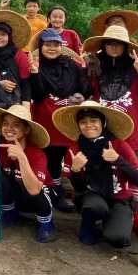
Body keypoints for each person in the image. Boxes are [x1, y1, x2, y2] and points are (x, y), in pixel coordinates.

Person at [82, 25, 138, 242]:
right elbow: (86, 92)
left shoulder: (136, 67)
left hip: (133, 129)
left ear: (126, 46)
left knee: (133, 176)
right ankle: (109, 212)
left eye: (118, 43)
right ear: (103, 45)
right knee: (102, 171)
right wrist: (84, 69)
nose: (113, 46)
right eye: (109, 43)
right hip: (101, 129)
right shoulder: (97, 68)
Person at [54, 102, 138, 248]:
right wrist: (75, 170)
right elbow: (78, 188)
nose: (88, 125)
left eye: (93, 120)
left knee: (118, 239)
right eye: (83, 122)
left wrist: (118, 160)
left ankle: (113, 219)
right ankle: (88, 223)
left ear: (103, 123)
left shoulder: (119, 145)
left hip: (119, 198)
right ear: (78, 125)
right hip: (90, 196)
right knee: (95, 207)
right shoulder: (75, 148)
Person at [29, 28, 91, 212]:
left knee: (75, 157)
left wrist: (80, 94)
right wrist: (34, 72)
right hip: (45, 119)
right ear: (41, 46)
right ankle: (56, 193)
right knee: (51, 158)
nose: (52, 48)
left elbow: (85, 89)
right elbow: (38, 95)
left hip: (69, 120)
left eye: (56, 44)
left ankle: (80, 195)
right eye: (48, 44)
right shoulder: (36, 65)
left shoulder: (72, 65)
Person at [0, 104, 55, 242]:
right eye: (5, 123)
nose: (9, 128)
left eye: (16, 124)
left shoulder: (36, 153)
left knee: (35, 186)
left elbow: (34, 189)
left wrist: (22, 158)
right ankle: (10, 214)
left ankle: (46, 221)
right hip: (15, 195)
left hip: (36, 198)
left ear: (26, 129)